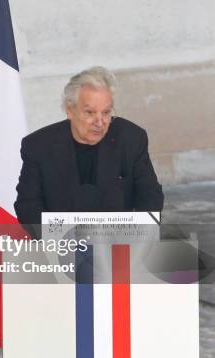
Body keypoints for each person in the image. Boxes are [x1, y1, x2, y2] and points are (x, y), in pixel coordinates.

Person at [14, 66, 163, 237]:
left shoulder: (131, 138)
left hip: (119, 248)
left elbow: (151, 197)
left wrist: (134, 239)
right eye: (90, 112)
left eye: (106, 112)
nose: (100, 122)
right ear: (70, 110)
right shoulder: (39, 146)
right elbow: (27, 205)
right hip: (59, 248)